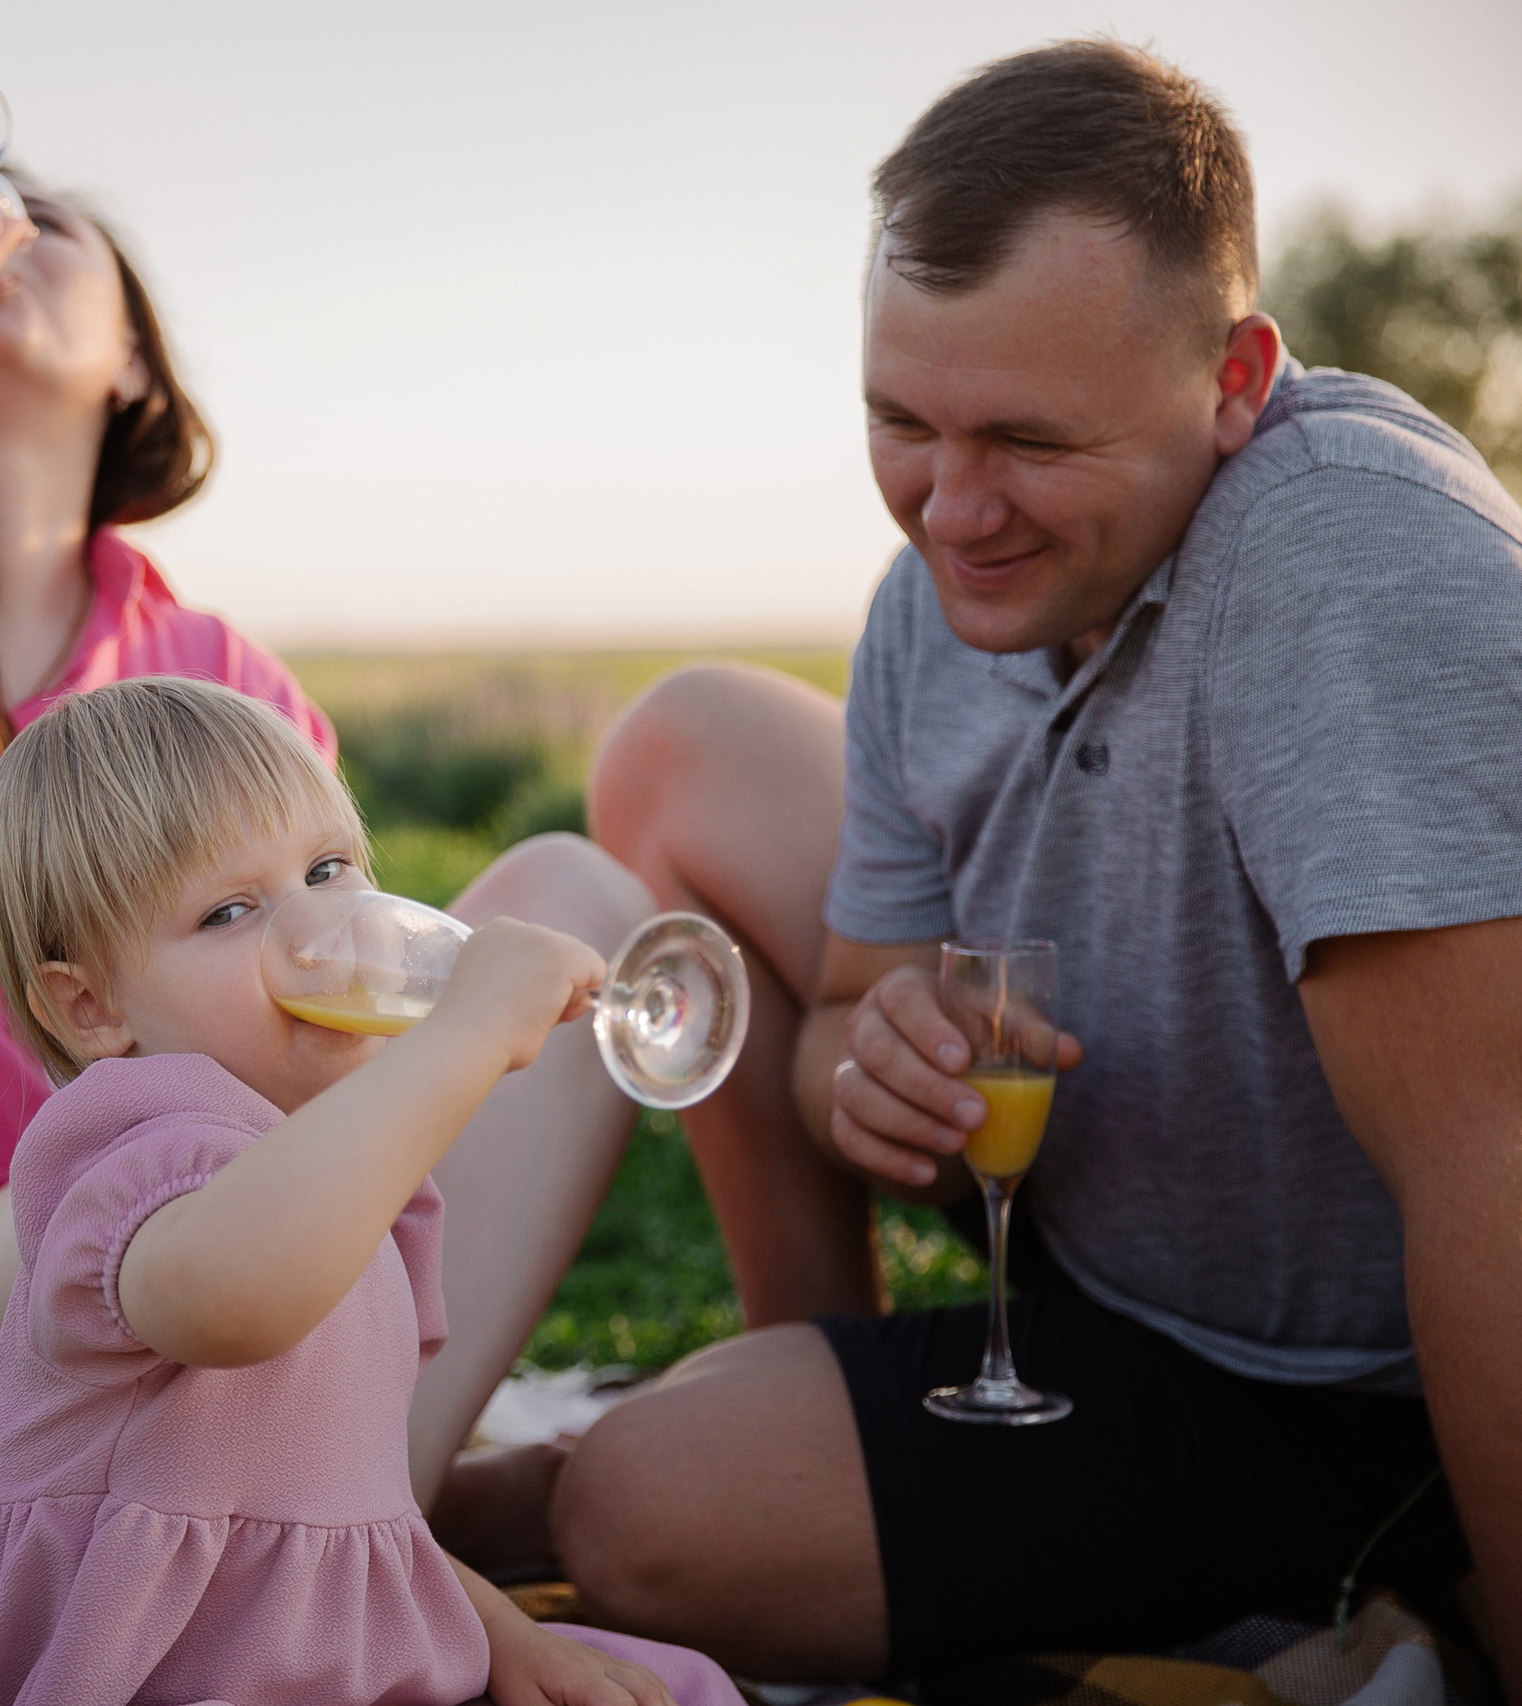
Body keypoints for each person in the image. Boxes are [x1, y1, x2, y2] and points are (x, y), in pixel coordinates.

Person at [526, 39, 1521, 1684]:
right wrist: (874, 1064)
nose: (951, 509)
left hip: (1351, 1391)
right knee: (682, 737)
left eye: (1028, 441)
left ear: (1237, 379)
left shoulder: (1348, 553)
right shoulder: (929, 600)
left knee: (641, 1512)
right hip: (1080, 1294)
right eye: (900, 420)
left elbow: (1493, 1167)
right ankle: (854, 1390)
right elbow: (847, 1008)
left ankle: (1391, 1591)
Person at [0, 175, 654, 1622]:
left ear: (136, 359)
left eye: (46, 225)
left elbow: (313, 1050)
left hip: (192, 1301)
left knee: (566, 891)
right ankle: (369, 1547)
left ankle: (349, 1527)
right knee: (120, 1181)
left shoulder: (218, 682)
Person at [0, 677, 736, 1706]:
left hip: (302, 1644)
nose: (322, 931)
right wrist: (461, 1037)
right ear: (91, 1005)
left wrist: (511, 1637)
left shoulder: (328, 1151)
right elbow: (234, 1296)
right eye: (230, 911)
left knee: (672, 1683)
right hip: (141, 1665)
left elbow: (345, 1504)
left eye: (329, 869)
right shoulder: (145, 1146)